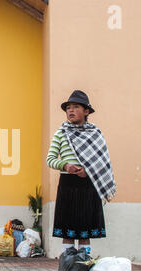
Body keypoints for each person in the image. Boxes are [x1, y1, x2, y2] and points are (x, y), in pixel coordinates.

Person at [46, 90, 116, 255]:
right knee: (68, 230)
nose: (70, 110)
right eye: (68, 108)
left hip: (89, 184)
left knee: (85, 230)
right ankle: (68, 265)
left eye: (75, 107)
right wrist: (65, 165)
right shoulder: (61, 133)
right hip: (68, 184)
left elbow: (102, 162)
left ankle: (84, 263)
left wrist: (89, 171)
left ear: (86, 111)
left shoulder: (95, 134)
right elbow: (50, 159)